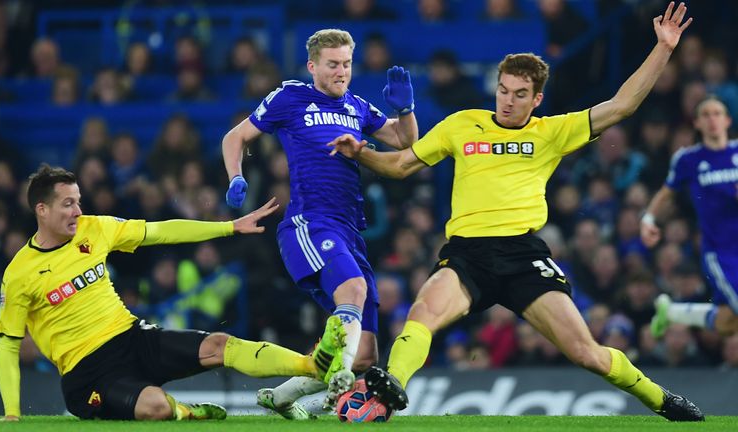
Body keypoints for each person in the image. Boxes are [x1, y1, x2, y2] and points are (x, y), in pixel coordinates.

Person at [329, 2, 703, 421]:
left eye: (520, 94)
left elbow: (622, 106)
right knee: (422, 314)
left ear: (537, 98)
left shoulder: (552, 132)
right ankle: (391, 385)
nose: (508, 101)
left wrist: (663, 49)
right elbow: (400, 165)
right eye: (503, 90)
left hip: (524, 257)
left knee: (587, 354)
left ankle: (663, 401)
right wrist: (362, 153)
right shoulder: (462, 124)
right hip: (468, 254)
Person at [0, 164, 347, 421]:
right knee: (156, 407)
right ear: (42, 209)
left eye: (78, 201)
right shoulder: (20, 274)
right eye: (68, 204)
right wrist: (11, 413)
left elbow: (161, 231)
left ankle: (311, 365)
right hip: (87, 374)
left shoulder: (94, 228)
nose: (78, 211)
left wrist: (228, 228)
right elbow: (8, 345)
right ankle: (185, 413)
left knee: (218, 345)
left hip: (131, 338)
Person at [221, 28, 418, 417]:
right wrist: (236, 177)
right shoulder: (290, 96)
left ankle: (284, 398)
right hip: (310, 223)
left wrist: (406, 110)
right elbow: (235, 136)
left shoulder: (357, 105)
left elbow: (406, 143)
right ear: (313, 66)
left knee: (365, 354)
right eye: (332, 65)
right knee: (354, 289)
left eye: (346, 63)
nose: (341, 72)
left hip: (349, 230)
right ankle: (338, 378)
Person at [641, 96, 738, 337]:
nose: (712, 119)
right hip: (721, 252)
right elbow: (667, 193)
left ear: (727, 120)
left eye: (717, 113)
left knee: (728, 323)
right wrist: (648, 219)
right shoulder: (688, 159)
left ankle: (672, 312)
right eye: (706, 115)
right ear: (696, 123)